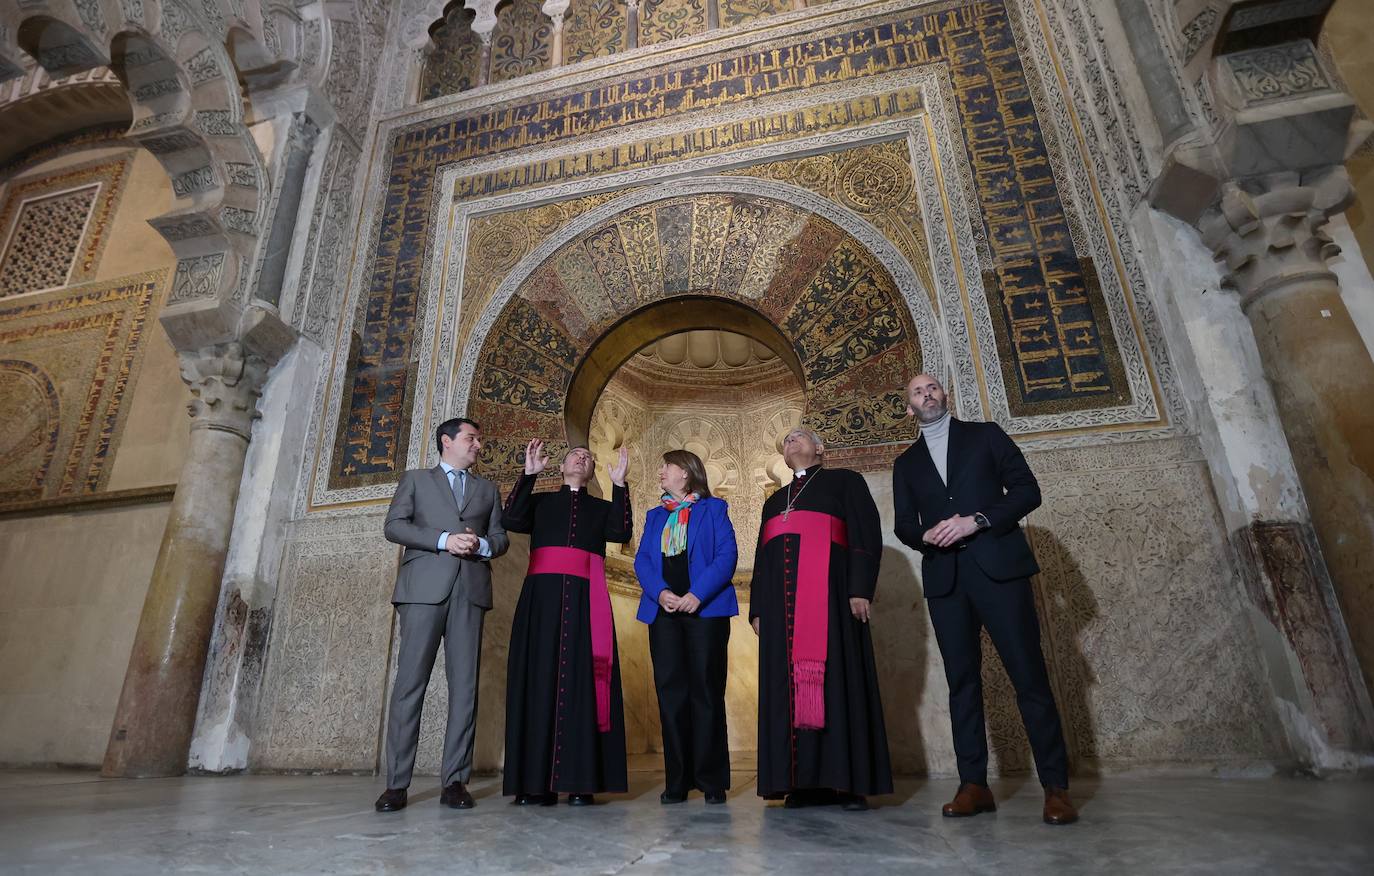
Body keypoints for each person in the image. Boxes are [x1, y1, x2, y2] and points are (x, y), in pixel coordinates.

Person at [892, 373, 1078, 825]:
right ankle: (973, 785)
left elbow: (1027, 491)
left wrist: (977, 519)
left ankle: (1055, 787)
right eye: (917, 392)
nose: (926, 394)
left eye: (932, 387)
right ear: (909, 407)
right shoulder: (906, 463)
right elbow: (903, 525)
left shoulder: (985, 435)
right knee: (963, 684)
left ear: (945, 395)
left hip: (1000, 571)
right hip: (946, 580)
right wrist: (926, 535)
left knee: (1028, 677)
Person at [750, 427, 893, 810]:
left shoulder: (845, 482)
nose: (790, 441)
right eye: (785, 440)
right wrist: (758, 609)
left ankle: (848, 782)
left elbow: (865, 536)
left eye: (799, 436)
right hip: (782, 615)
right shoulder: (774, 501)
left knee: (838, 682)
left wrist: (860, 588)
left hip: (832, 603)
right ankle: (801, 783)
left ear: (820, 447)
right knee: (787, 693)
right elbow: (762, 559)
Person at [375, 417, 509, 813]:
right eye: (471, 438)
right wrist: (443, 540)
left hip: (470, 592)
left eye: (479, 439)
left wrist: (481, 544)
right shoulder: (416, 479)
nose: (478, 445)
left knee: (464, 688)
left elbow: (500, 538)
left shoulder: (488, 490)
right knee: (409, 687)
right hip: (422, 592)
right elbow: (394, 526)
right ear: (447, 441)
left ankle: (455, 782)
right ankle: (396, 785)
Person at [501, 440, 632, 806]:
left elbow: (621, 533)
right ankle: (534, 785)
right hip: (541, 602)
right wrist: (528, 476)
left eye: (588, 458)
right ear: (560, 467)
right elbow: (510, 519)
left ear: (592, 472)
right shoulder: (541, 502)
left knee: (583, 684)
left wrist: (621, 485)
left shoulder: (601, 507)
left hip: (586, 601)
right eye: (575, 455)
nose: (582, 458)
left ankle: (581, 782)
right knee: (538, 680)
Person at [633, 450, 739, 805]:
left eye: (667, 466)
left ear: (687, 474)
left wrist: (696, 595)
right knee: (670, 695)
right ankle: (677, 781)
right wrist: (661, 593)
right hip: (663, 614)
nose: (660, 471)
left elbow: (726, 556)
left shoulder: (714, 510)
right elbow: (643, 560)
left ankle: (711, 781)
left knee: (706, 693)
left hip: (705, 613)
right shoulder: (653, 516)